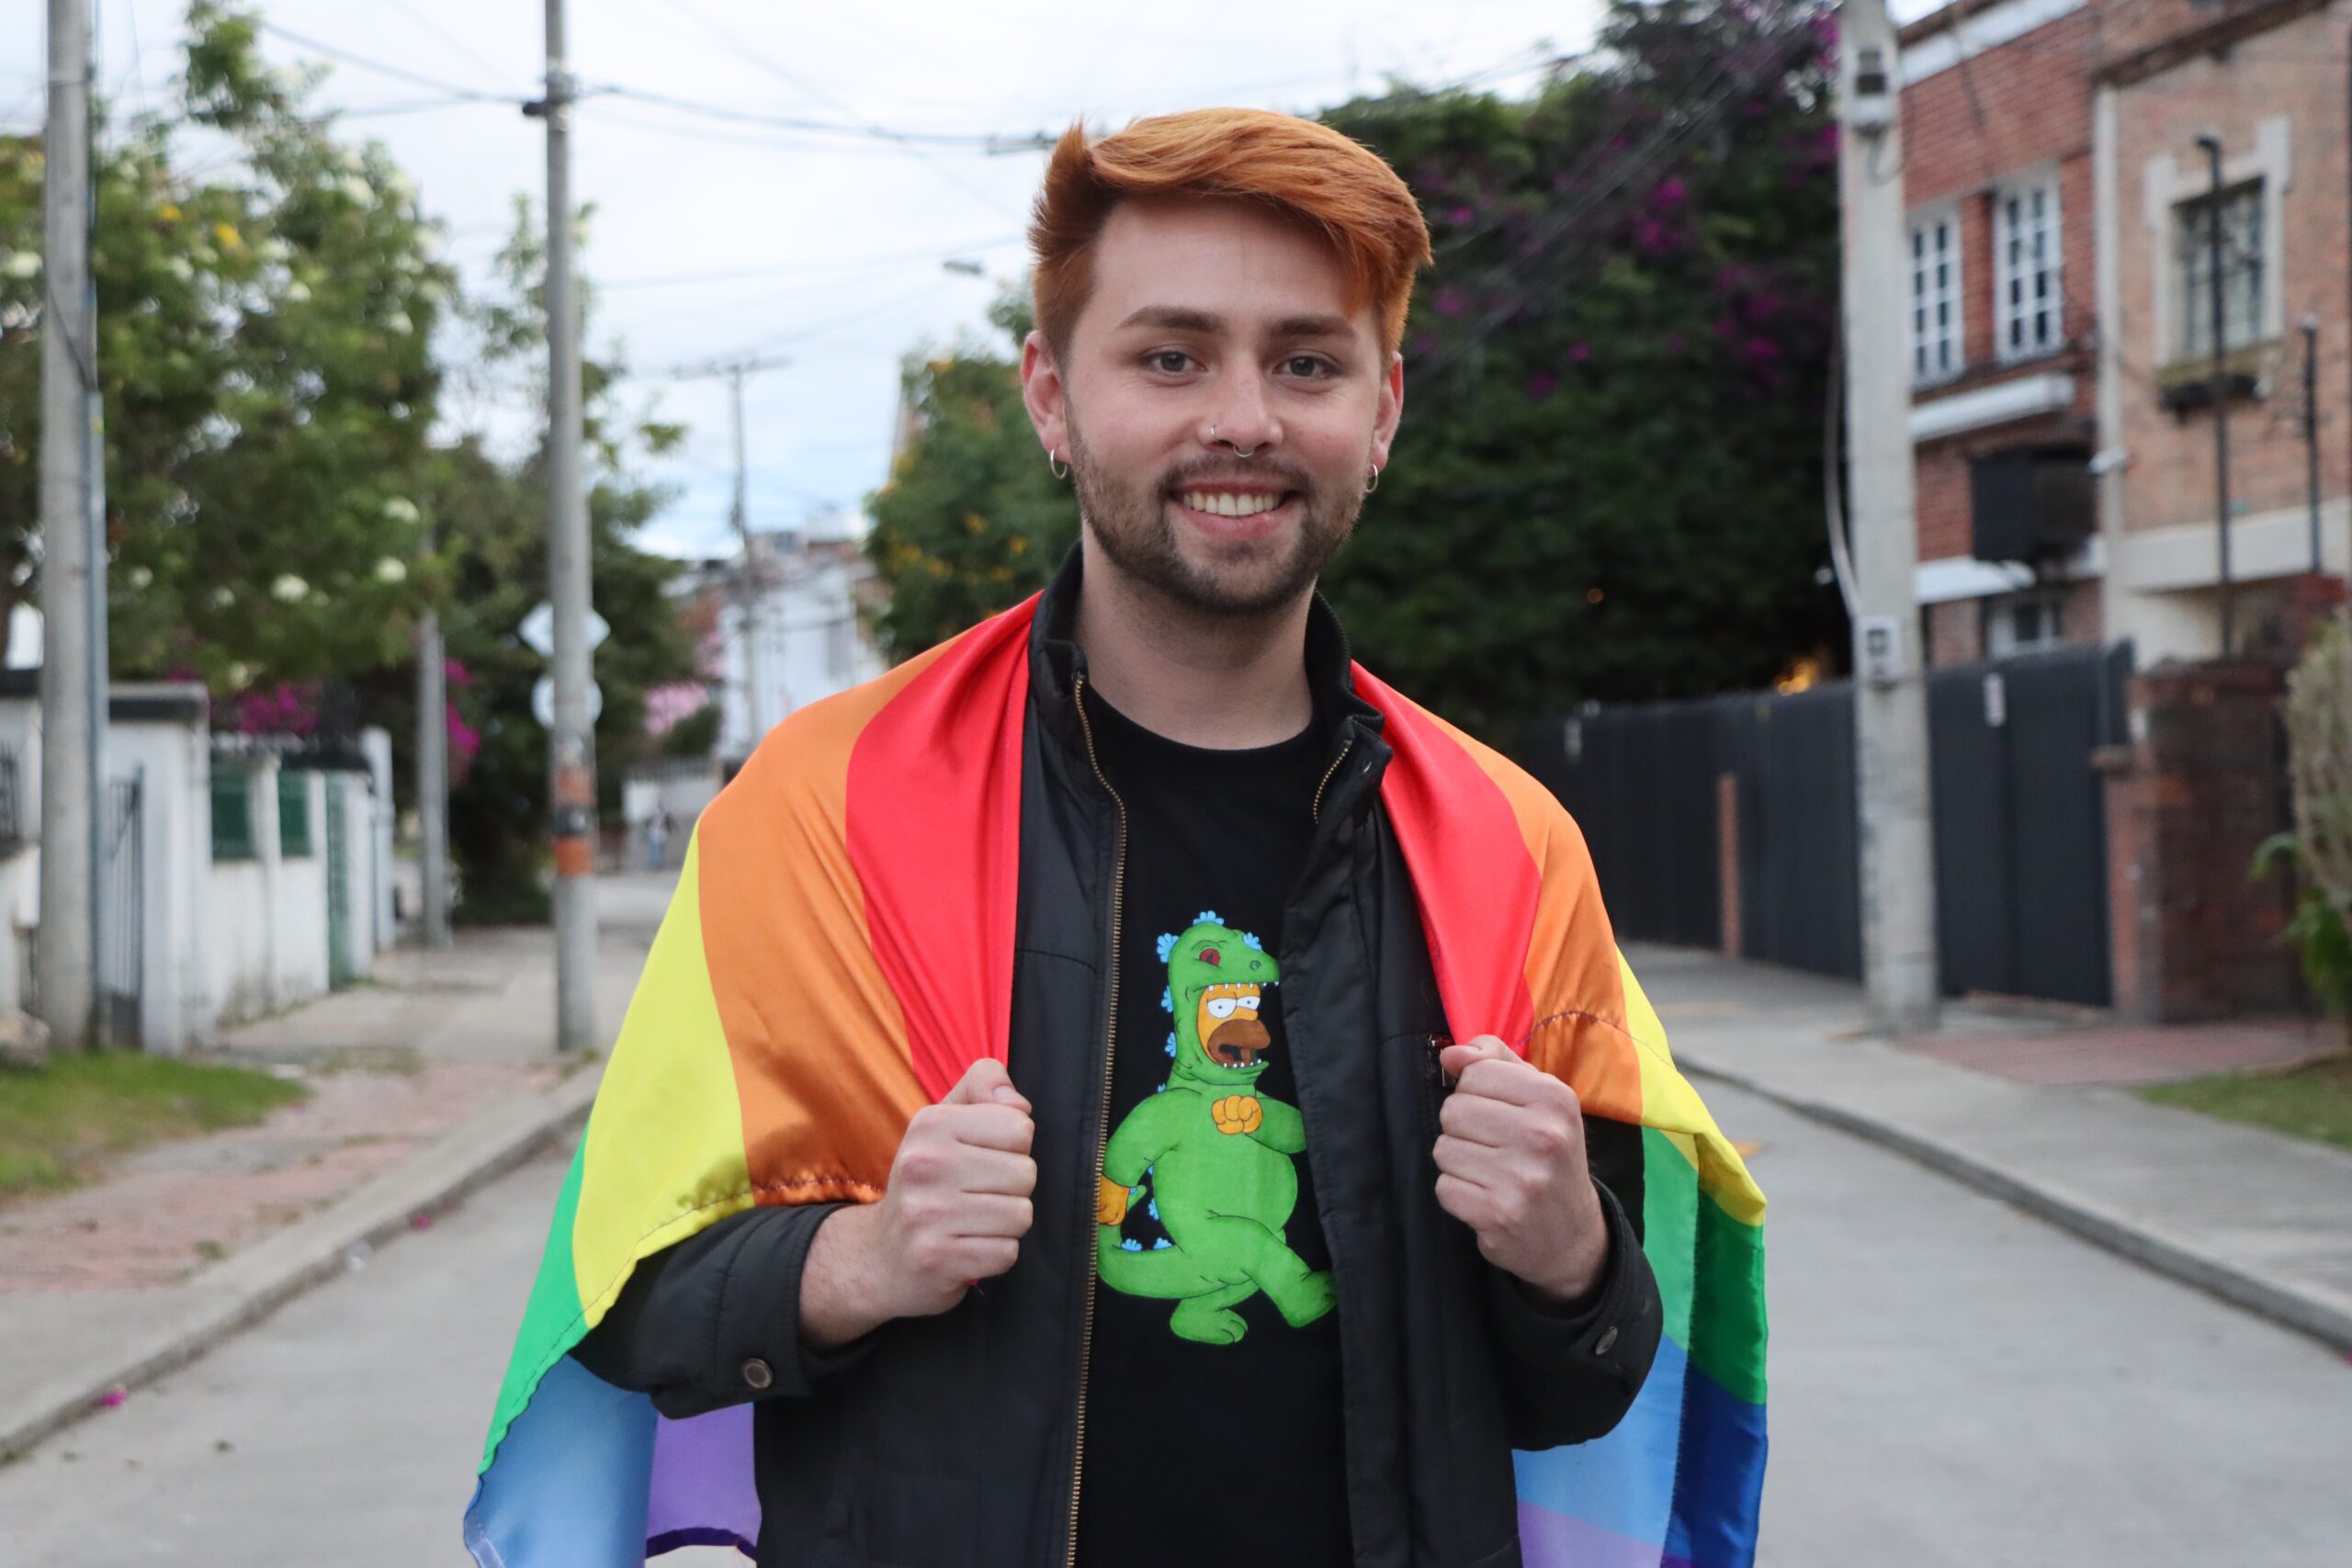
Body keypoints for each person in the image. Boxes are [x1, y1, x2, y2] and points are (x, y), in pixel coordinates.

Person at [474, 107, 1766, 1568]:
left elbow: (1587, 1380)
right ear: (1050, 395)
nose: (1244, 418)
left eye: (1307, 361)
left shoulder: (1507, 844)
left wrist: (1571, 1258)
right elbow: (631, 1297)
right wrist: (864, 1259)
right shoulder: (822, 808)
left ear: (1384, 409)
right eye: (1170, 356)